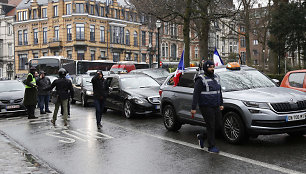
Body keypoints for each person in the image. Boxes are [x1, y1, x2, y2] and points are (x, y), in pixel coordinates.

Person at [191, 60, 224, 153]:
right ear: (206, 68)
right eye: (210, 67)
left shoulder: (217, 77)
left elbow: (219, 91)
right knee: (211, 126)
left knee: (218, 125)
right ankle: (211, 146)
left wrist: (221, 103)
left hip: (216, 105)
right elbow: (196, 94)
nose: (212, 69)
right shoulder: (200, 79)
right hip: (205, 106)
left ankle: (202, 136)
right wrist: (193, 108)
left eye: (213, 67)